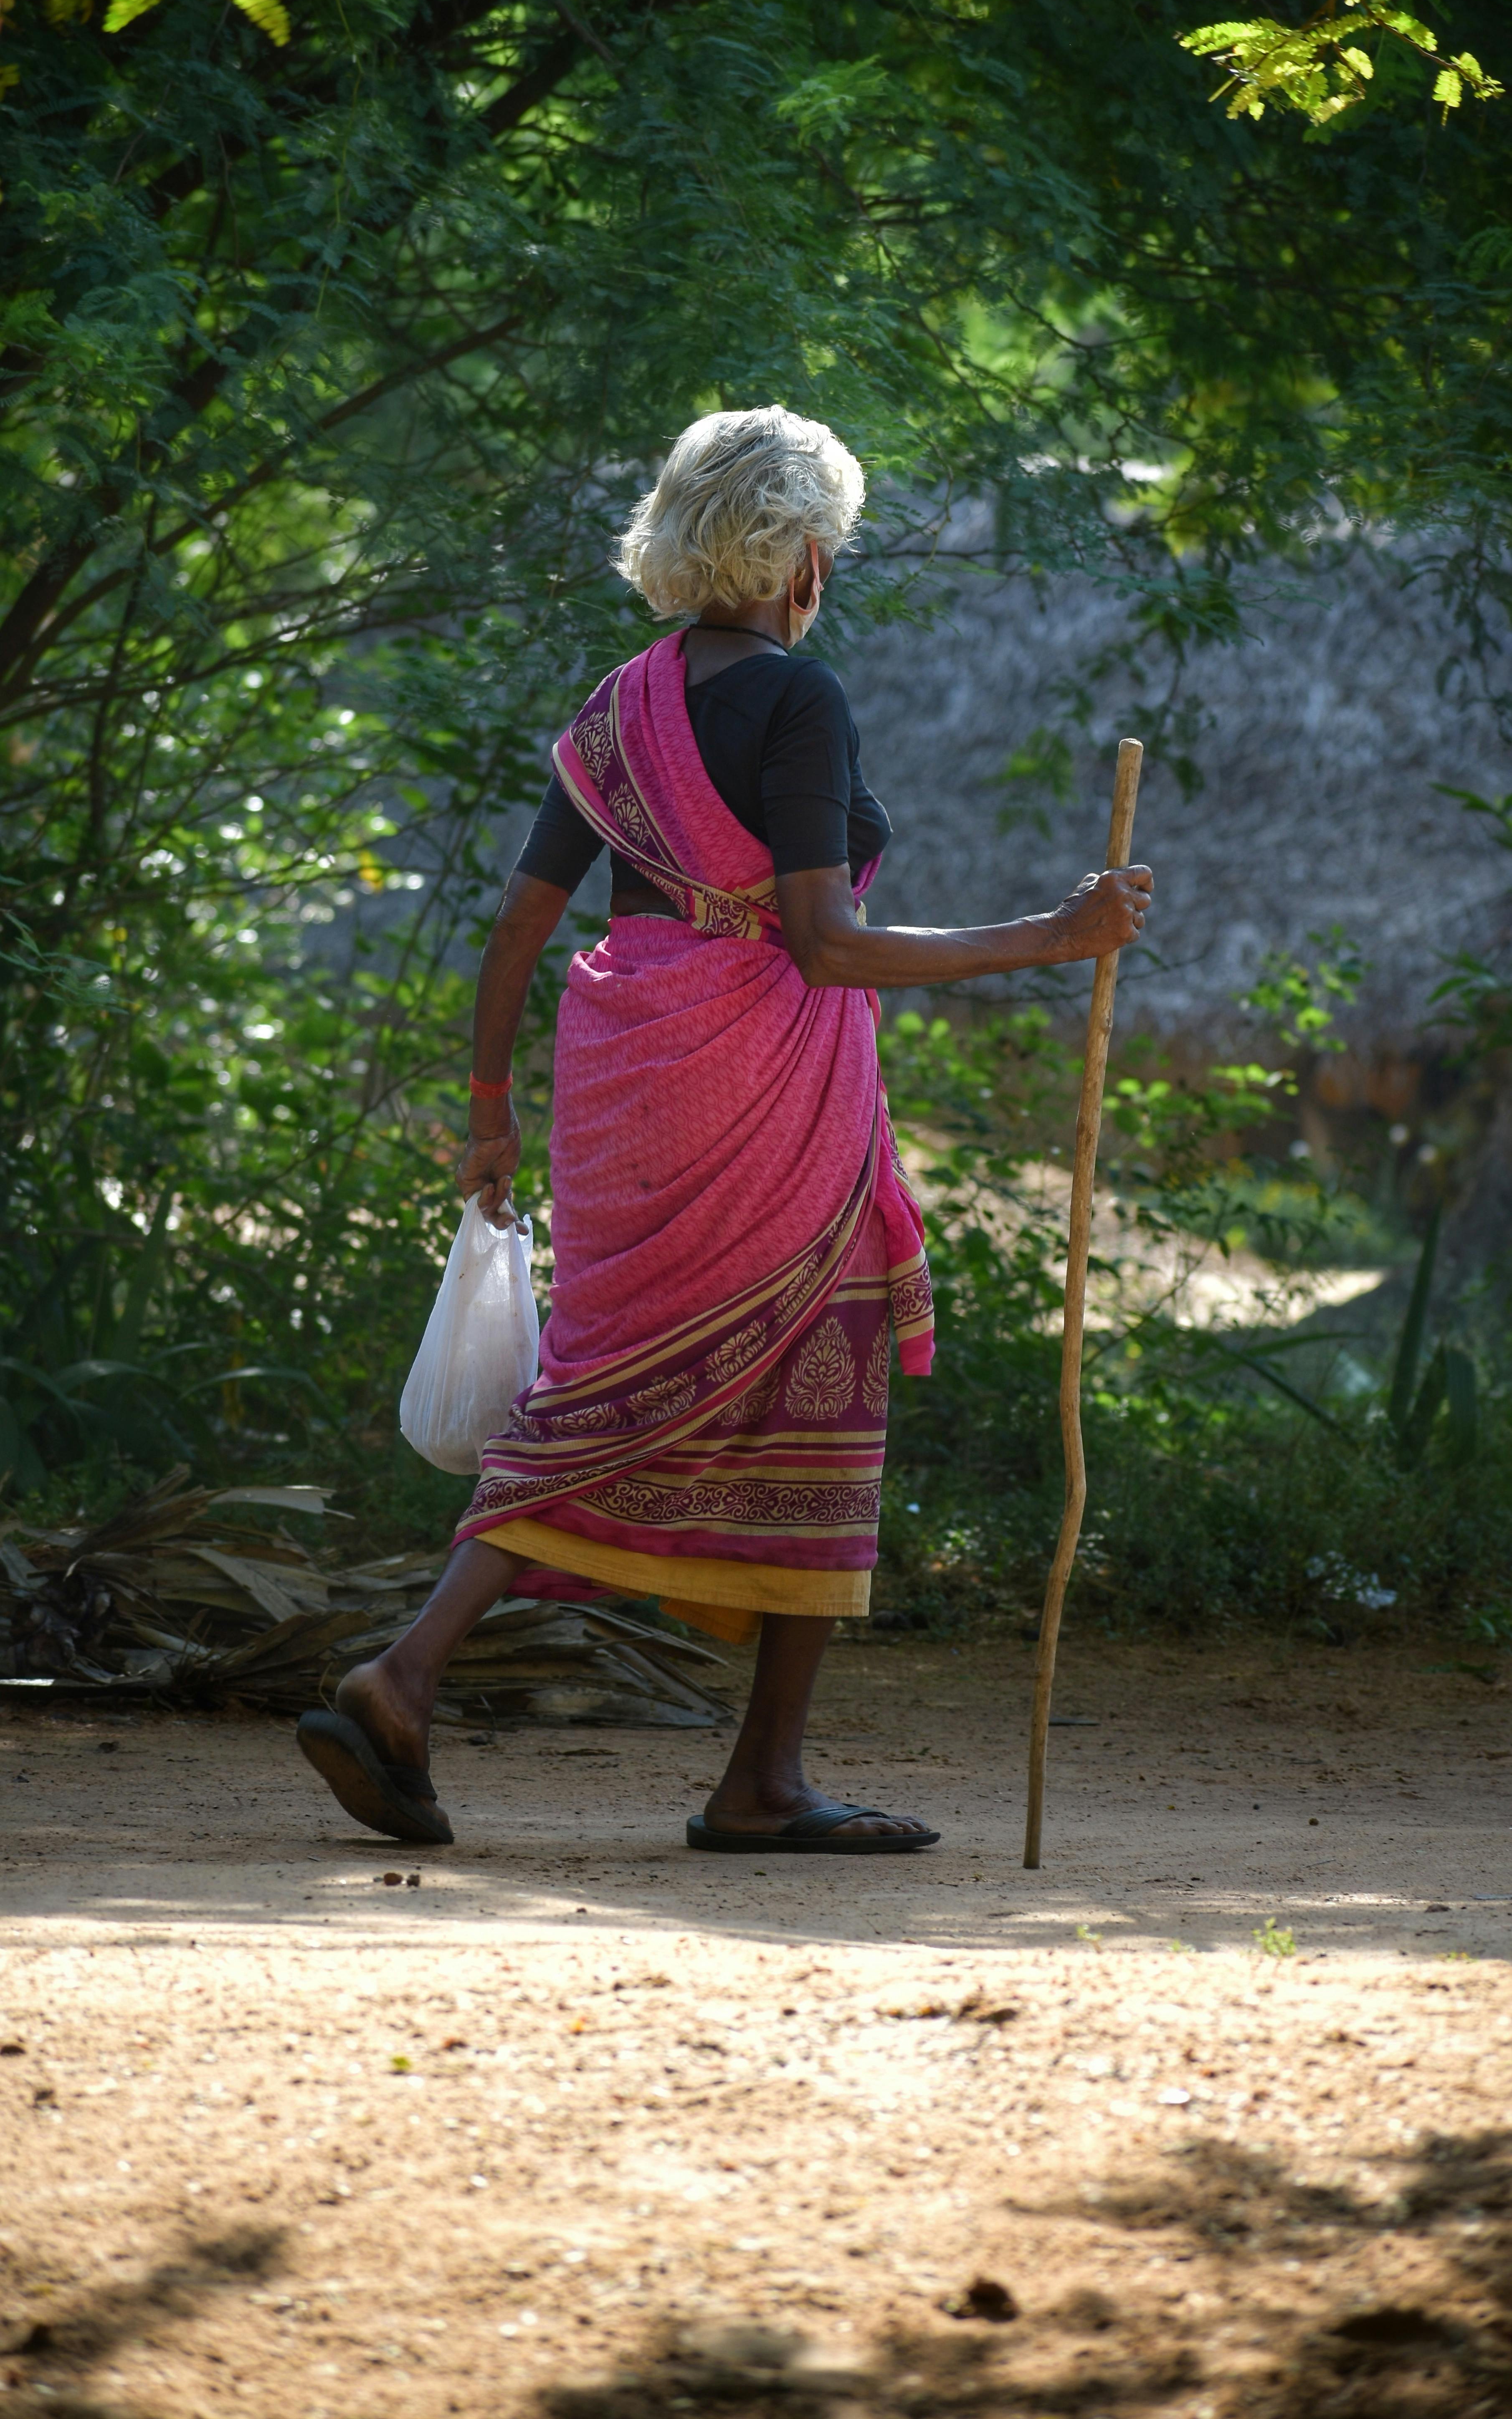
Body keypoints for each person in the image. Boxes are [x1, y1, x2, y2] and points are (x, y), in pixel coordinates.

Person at [296, 405, 1152, 1854]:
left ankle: (415, 1676)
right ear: (802, 553)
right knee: (818, 1370)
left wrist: (490, 1118)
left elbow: (520, 928)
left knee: (602, 1379)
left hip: (626, 1083)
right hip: (764, 1081)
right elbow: (825, 943)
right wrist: (1055, 935)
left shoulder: (617, 709)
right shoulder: (800, 700)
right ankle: (744, 1774)